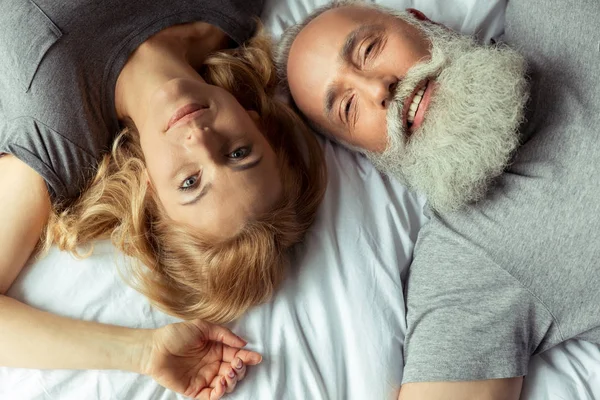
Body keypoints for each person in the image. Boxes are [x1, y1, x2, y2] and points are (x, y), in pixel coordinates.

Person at [0, 1, 326, 399]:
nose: (202, 140)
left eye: (190, 182)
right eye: (239, 153)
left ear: (150, 189)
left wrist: (143, 352)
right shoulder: (235, 9)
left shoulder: (60, 134)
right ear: (257, 124)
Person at [276, 0, 600, 399]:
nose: (378, 88)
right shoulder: (468, 261)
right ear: (369, 154)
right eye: (348, 107)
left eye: (369, 49)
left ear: (421, 22)